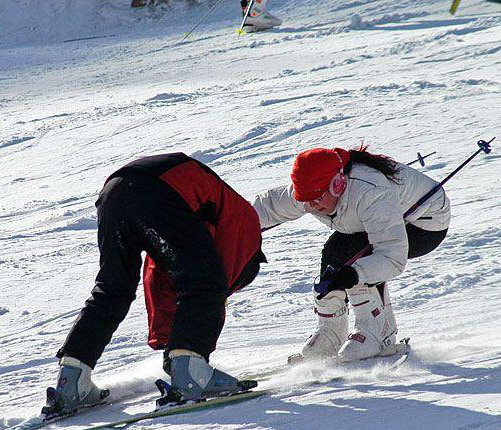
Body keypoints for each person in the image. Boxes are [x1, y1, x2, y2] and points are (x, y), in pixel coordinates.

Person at [43, 152, 265, 416]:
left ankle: (72, 381)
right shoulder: (246, 227)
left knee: (113, 288)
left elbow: (164, 279)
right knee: (204, 281)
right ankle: (194, 376)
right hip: (157, 191)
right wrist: (185, 352)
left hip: (115, 193)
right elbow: (208, 282)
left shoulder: (211, 216)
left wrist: (172, 345)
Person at [252, 146, 450, 362]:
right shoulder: (311, 190)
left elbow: (392, 257)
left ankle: (378, 332)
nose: (313, 206)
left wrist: (355, 274)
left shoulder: (370, 192)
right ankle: (331, 332)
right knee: (334, 254)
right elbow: (267, 207)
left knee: (356, 258)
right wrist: (231, 225)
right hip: (366, 222)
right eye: (306, 200)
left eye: (317, 199)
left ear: (338, 185)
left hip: (423, 224)